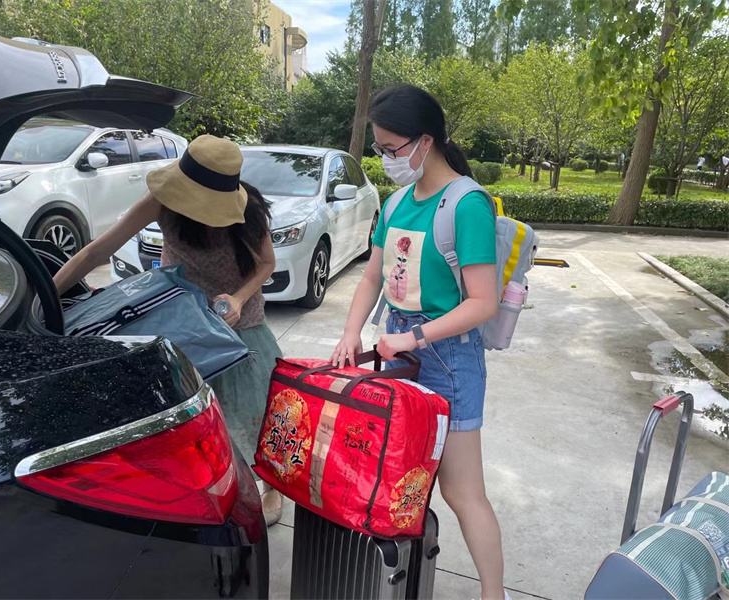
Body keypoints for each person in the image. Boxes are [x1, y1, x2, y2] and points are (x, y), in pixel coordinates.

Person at [330, 84, 509, 600]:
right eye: (380, 149)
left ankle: (493, 595)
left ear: (426, 141)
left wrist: (414, 336)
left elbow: (483, 302)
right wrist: (351, 333)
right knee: (402, 479)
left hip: (447, 358)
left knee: (461, 490)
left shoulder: (466, 204)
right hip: (397, 349)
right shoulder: (396, 203)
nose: (387, 159)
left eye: (392, 149)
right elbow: (372, 277)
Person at [53, 134, 284, 526]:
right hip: (182, 316)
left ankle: (270, 483)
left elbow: (266, 264)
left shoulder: (248, 211)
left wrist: (239, 298)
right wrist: (45, 297)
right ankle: (206, 480)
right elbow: (97, 251)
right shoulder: (164, 200)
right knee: (188, 409)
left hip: (237, 319)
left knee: (254, 409)